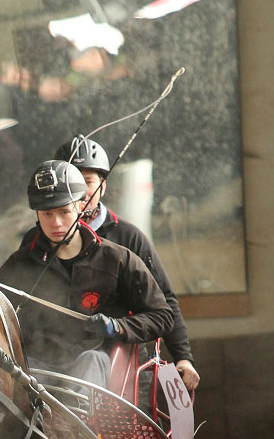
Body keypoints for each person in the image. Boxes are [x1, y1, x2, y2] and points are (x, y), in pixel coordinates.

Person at [0, 160, 174, 389]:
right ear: (37, 214)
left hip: (98, 372)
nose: (56, 222)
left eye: (64, 211)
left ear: (80, 206)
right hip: (38, 367)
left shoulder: (118, 259)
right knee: (22, 376)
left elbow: (163, 316)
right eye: (47, 214)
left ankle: (72, 425)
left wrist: (117, 326)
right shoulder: (22, 262)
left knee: (91, 360)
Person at [53, 136, 200, 390]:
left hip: (122, 368)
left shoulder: (128, 238)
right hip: (55, 361)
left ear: (103, 186)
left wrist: (183, 357)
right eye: (70, 182)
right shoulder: (41, 239)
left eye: (87, 182)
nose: (79, 191)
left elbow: (164, 300)